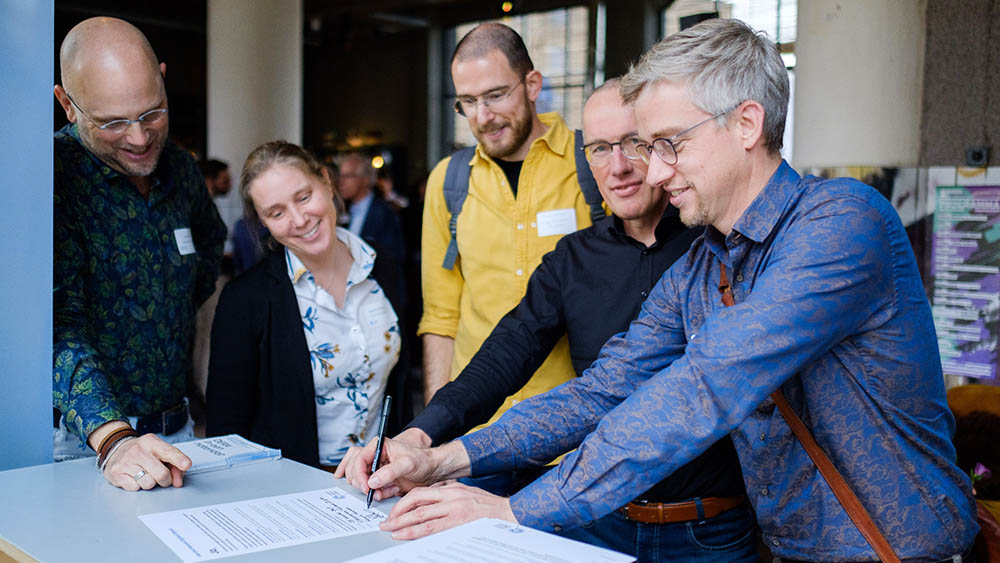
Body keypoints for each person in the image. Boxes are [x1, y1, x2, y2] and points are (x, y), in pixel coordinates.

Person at [347, 19, 979, 561]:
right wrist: (444, 458)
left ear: (747, 123)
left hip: (896, 550)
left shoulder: (843, 222)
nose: (649, 170)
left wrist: (515, 512)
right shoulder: (705, 263)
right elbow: (602, 389)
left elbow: (706, 385)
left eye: (668, 144)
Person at [339, 80, 754, 560]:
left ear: (661, 147)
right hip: (598, 521)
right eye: (598, 149)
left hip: (711, 527)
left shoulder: (714, 247)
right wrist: (417, 436)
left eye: (633, 144)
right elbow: (505, 355)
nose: (617, 167)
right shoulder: (572, 258)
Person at [52, 17, 226, 491]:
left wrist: (173, 306)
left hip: (180, 428)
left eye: (152, 113)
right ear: (67, 105)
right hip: (87, 443)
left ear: (164, 79)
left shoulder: (182, 169)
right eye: (112, 122)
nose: (138, 137)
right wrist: (112, 438)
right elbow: (53, 326)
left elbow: (210, 241)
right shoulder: (50, 181)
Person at [420, 22, 594, 429]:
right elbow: (441, 318)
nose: (483, 116)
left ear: (532, 84)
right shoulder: (448, 182)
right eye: (467, 102)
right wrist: (433, 432)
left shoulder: (592, 166)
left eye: (496, 95)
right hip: (476, 435)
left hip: (571, 429)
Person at [206, 141, 411, 469]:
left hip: (381, 482)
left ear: (327, 183)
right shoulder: (245, 301)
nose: (299, 219)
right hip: (291, 495)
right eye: (277, 212)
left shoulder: (382, 267)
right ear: (264, 222)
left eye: (304, 197)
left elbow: (398, 389)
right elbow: (225, 434)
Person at [338, 153, 406, 264]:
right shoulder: (342, 210)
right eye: (340, 176)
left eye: (348, 176)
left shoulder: (385, 213)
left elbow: (393, 259)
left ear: (365, 180)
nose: (341, 182)